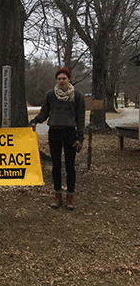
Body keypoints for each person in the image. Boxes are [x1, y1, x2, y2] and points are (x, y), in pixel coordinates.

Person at [30, 67, 85, 210]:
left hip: (70, 133)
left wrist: (80, 137)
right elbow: (44, 112)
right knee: (56, 166)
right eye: (59, 78)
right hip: (54, 133)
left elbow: (80, 118)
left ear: (69, 79)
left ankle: (70, 196)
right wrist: (35, 121)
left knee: (70, 166)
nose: (61, 81)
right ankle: (57, 195)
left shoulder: (77, 96)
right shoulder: (50, 95)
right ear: (56, 80)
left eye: (64, 78)